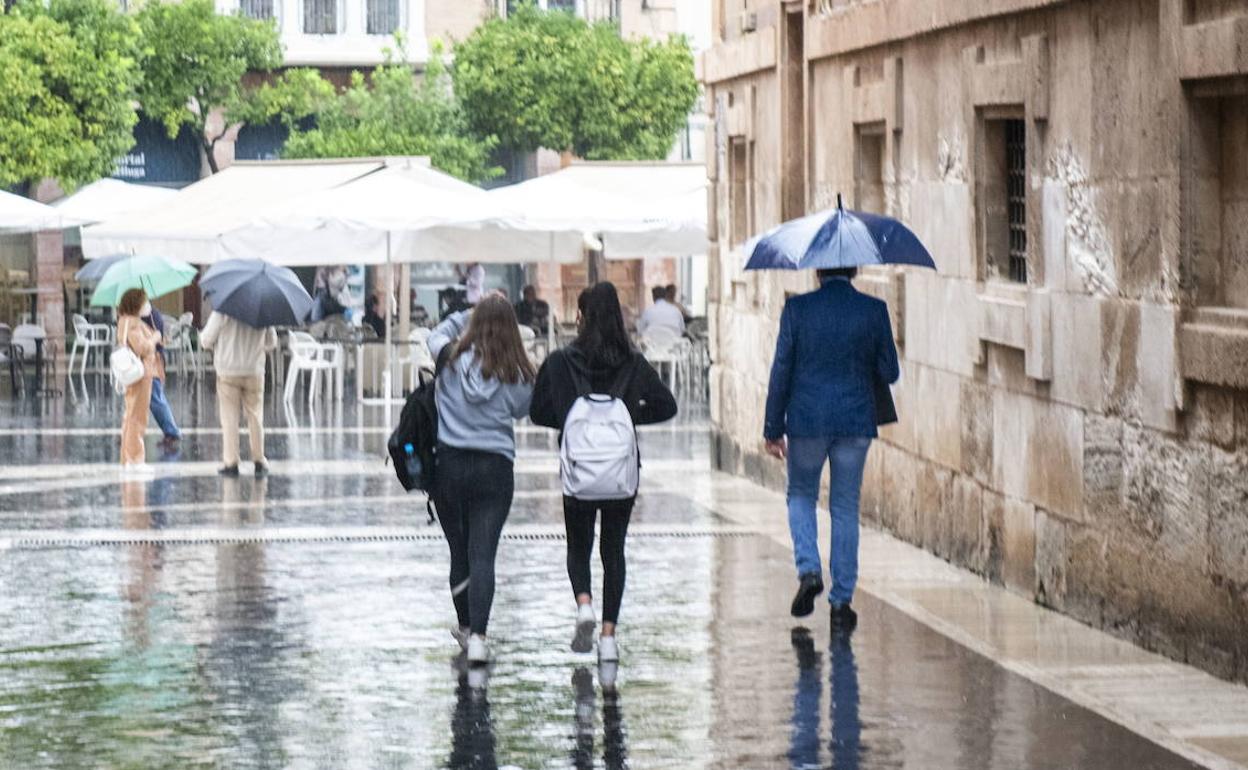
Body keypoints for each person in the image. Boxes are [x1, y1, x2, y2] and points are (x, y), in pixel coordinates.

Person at [530, 282, 677, 663]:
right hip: (621, 473)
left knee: (578, 546)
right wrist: (628, 418)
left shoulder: (560, 362)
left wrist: (569, 419)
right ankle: (609, 638)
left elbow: (536, 411)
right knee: (613, 550)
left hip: (578, 469)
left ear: (580, 317)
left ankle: (583, 605)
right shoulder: (633, 363)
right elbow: (667, 406)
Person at [763, 267, 899, 629]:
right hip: (855, 420)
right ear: (854, 269)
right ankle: (841, 602)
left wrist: (773, 428)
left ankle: (809, 570)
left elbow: (781, 370)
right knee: (845, 507)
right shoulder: (874, 310)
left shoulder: (797, 310)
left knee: (801, 495)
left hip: (807, 421)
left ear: (818, 270)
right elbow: (890, 371)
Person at [433, 295, 535, 666]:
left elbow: (436, 333)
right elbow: (524, 409)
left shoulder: (449, 360)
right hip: (495, 469)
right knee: (483, 554)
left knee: (459, 552)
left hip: (450, 466)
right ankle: (478, 636)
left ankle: (464, 625)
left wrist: (465, 314)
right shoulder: (517, 371)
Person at [199, 309, 278, 478]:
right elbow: (272, 343)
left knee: (229, 418)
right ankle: (259, 459)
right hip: (254, 370)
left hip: (228, 371)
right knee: (255, 415)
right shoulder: (262, 310)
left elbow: (205, 340)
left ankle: (231, 462)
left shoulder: (223, 311)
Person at [116, 288, 162, 475]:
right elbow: (142, 347)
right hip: (141, 374)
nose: (147, 305)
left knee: (130, 415)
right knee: (138, 417)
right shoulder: (133, 323)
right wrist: (155, 337)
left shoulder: (123, 322)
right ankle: (135, 459)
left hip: (133, 374)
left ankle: (127, 457)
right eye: (144, 302)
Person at [140, 302, 181, 444]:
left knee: (155, 397)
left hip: (152, 362)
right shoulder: (150, 314)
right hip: (147, 361)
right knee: (142, 398)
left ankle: (171, 431)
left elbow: (155, 339)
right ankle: (132, 433)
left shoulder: (150, 315)